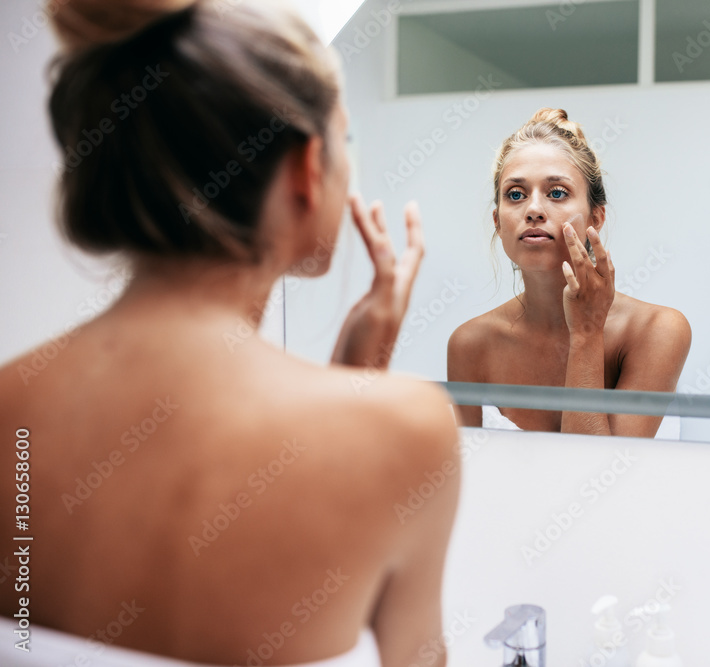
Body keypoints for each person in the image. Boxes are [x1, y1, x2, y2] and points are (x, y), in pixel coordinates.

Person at [0, 1, 460, 666]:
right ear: (307, 169)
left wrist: (356, 367)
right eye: (345, 140)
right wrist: (362, 384)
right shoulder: (411, 429)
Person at [448, 108, 691, 438]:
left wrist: (588, 333)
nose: (533, 209)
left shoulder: (656, 330)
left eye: (557, 193)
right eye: (515, 194)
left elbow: (597, 476)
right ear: (497, 221)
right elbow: (468, 478)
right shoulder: (470, 345)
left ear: (596, 217)